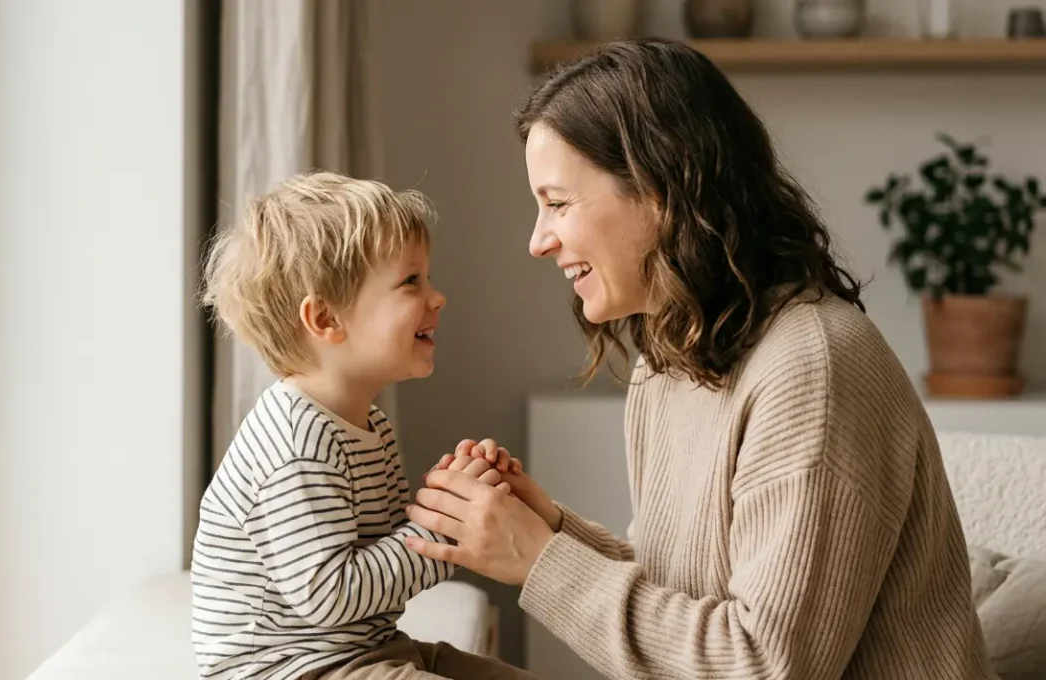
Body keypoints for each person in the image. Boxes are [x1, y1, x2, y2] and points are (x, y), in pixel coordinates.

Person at [404, 38, 995, 679]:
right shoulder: (668, 358)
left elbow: (762, 665)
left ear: (660, 189)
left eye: (558, 202)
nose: (538, 240)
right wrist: (545, 526)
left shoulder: (814, 367)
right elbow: (685, 591)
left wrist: (538, 556)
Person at [191, 171, 536, 680]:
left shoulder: (367, 423)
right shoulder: (296, 444)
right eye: (410, 282)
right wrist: (438, 534)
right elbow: (330, 595)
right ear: (327, 320)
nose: (437, 297)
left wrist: (454, 499)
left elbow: (378, 552)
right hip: (291, 671)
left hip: (361, 652)